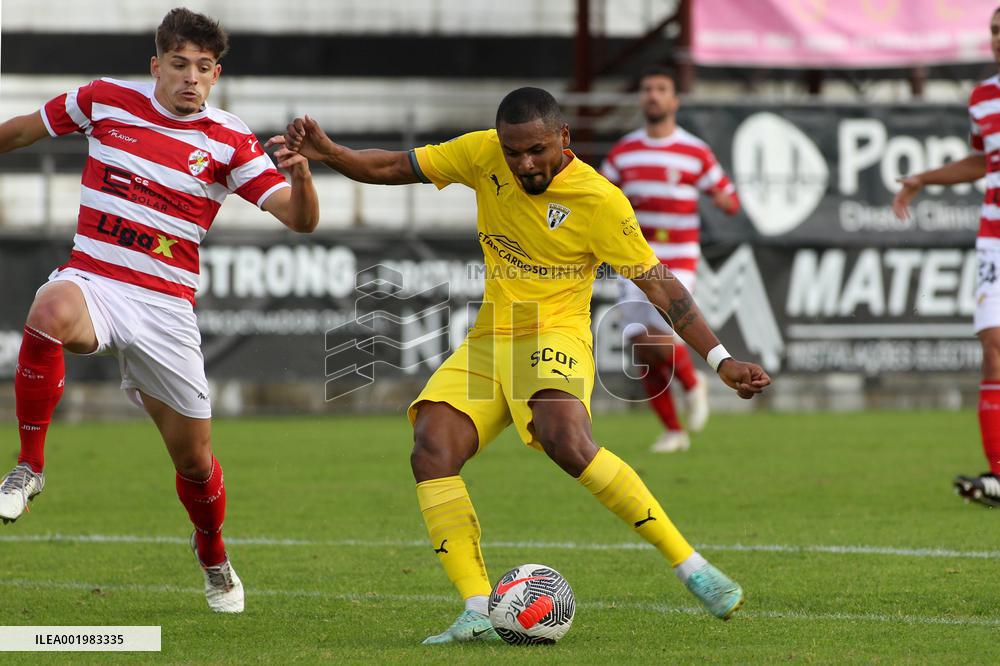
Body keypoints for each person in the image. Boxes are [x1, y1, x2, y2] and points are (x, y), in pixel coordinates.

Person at [277, 87, 769, 643]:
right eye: (513, 152)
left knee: (565, 438)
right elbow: (396, 165)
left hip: (555, 334)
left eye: (536, 150)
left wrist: (720, 359)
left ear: (564, 138)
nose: (524, 163)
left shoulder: (599, 201)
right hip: (490, 340)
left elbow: (661, 286)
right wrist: (331, 152)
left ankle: (692, 567)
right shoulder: (483, 152)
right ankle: (476, 610)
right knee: (431, 448)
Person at [0, 8, 319, 613]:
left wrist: (302, 181)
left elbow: (299, 220)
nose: (190, 78)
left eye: (203, 68)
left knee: (195, 462)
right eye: (179, 65)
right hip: (96, 279)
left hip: (166, 310)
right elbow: (20, 132)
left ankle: (214, 556)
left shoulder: (230, 140)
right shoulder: (103, 100)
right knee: (49, 307)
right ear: (156, 66)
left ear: (216, 74)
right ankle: (29, 467)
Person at [601, 66, 740, 453]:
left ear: (674, 100)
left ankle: (694, 384)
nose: (653, 95)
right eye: (647, 88)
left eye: (661, 89)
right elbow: (598, 197)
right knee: (641, 347)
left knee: (662, 338)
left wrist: (724, 200)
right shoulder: (624, 151)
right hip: (633, 259)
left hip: (678, 259)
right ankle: (673, 431)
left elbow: (729, 197)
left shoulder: (694, 151)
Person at [893, 7, 1000, 508]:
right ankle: (999, 476)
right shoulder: (982, 98)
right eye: (995, 31)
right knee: (993, 341)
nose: (998, 40)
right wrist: (924, 179)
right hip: (994, 239)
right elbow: (983, 160)